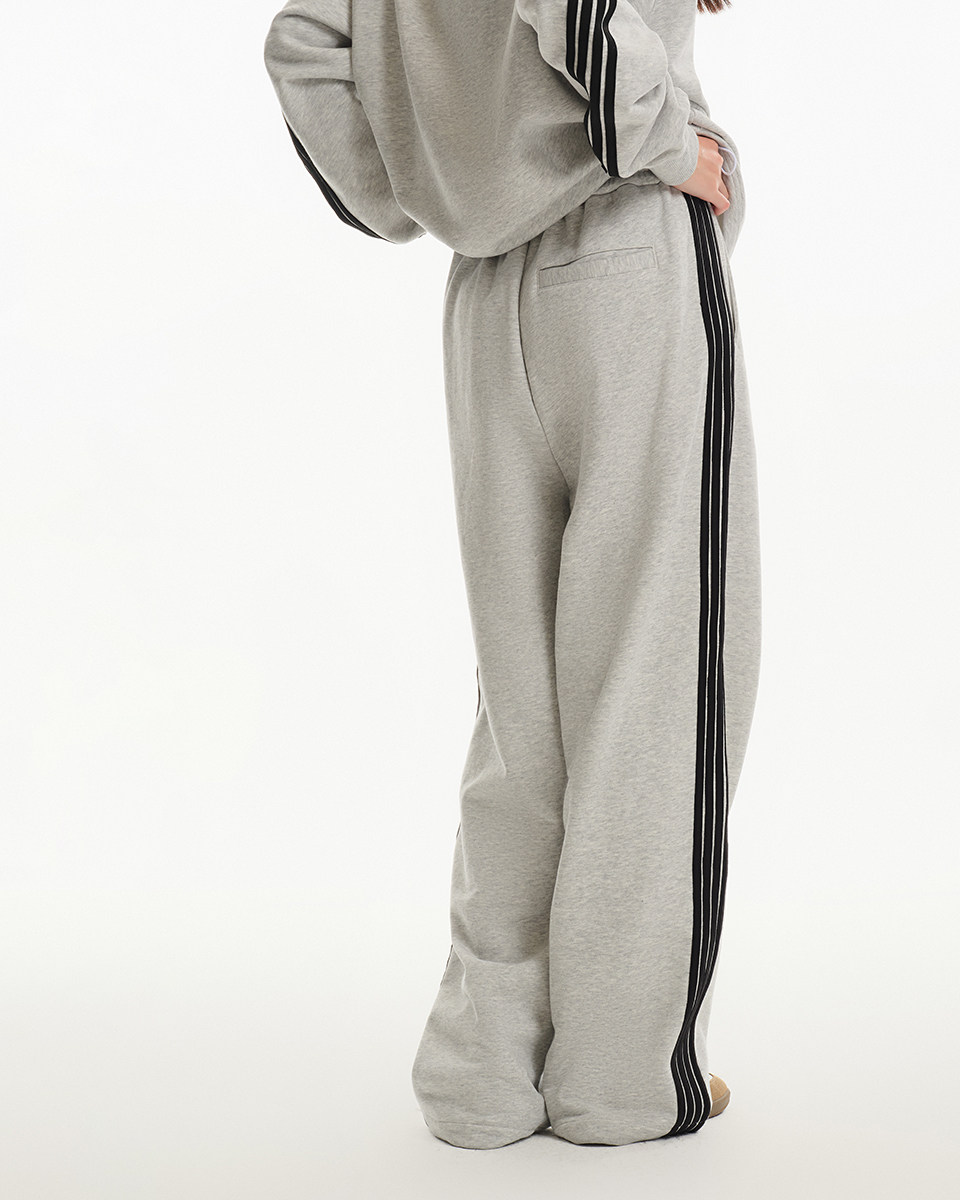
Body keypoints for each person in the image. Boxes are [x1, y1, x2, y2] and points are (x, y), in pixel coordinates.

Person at [263, 0, 761, 1149]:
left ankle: (482, 1070)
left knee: (522, 705)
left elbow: (304, 40)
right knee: (654, 682)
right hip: (626, 248)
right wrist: (662, 141)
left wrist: (418, 188)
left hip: (487, 291)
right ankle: (620, 1077)